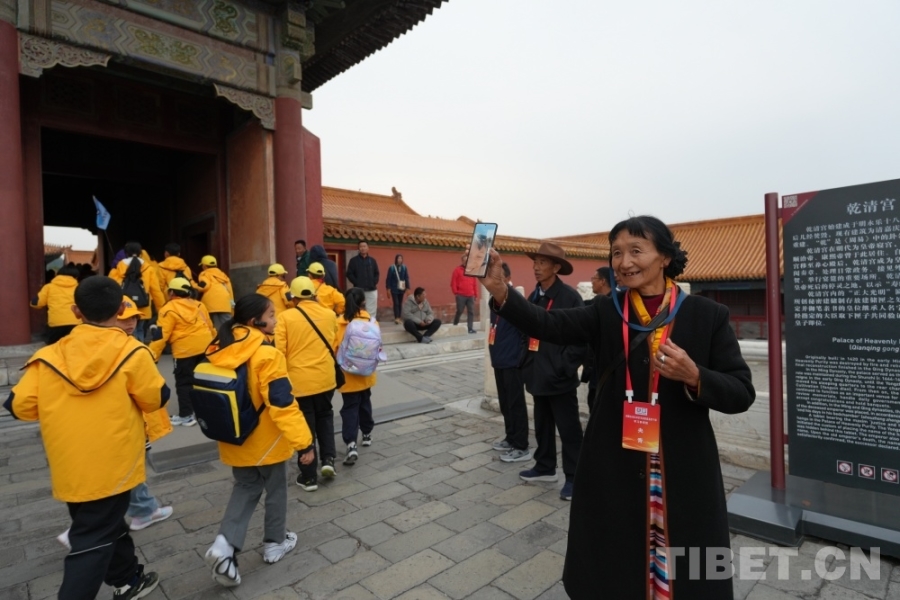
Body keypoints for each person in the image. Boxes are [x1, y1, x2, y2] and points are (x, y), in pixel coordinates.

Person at [480, 216, 755, 599]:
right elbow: (548, 324)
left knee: (686, 570)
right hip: (615, 460)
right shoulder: (605, 311)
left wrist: (695, 376)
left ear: (665, 257)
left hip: (682, 467)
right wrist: (501, 290)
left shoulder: (707, 316)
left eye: (636, 251)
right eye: (616, 253)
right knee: (616, 566)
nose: (624, 262)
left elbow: (741, 391)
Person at [4, 276, 169, 599]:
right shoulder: (132, 351)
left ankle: (127, 579)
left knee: (103, 524)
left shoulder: (49, 356)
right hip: (114, 462)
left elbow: (19, 406)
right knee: (92, 540)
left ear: (76, 311)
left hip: (70, 463)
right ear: (121, 309)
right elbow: (156, 399)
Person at [203, 293, 315, 588]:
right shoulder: (266, 354)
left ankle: (224, 547)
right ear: (256, 321)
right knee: (276, 488)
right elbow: (282, 404)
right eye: (272, 315)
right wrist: (304, 442)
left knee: (245, 487)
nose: (276, 320)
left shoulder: (219, 347)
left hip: (234, 437)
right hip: (266, 440)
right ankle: (275, 543)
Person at [509, 242, 586, 501]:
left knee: (569, 429)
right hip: (536, 373)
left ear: (556, 268)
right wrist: (525, 361)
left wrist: (564, 366)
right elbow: (526, 328)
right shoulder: (535, 295)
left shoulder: (569, 297)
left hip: (559, 377)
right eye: (535, 262)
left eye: (542, 263)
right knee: (542, 424)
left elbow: (581, 338)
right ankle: (545, 466)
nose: (536, 267)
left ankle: (575, 477)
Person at [274, 277, 339, 492]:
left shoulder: (285, 317)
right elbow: (333, 342)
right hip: (326, 379)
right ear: (314, 294)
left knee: (305, 426)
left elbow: (279, 351)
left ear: (293, 297)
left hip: (299, 382)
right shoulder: (329, 315)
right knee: (325, 417)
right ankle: (329, 460)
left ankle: (309, 476)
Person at [116, 297, 175, 531]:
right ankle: (144, 511)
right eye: (124, 319)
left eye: (134, 318)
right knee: (132, 467)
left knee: (132, 466)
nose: (130, 323)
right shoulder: (128, 349)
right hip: (130, 421)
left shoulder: (131, 344)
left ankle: (143, 509)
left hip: (136, 419)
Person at [148, 277, 217, 427]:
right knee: (202, 380)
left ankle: (186, 416)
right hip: (205, 347)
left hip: (184, 351)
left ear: (171, 292)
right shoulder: (199, 305)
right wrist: (214, 346)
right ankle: (204, 411)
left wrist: (152, 357)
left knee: (184, 383)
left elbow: (161, 336)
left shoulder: (168, 309)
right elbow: (210, 326)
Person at [489, 263, 531, 463]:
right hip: (499, 359)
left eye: (499, 277)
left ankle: (521, 445)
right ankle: (510, 437)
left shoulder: (515, 300)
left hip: (512, 361)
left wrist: (520, 358)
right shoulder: (494, 299)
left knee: (516, 404)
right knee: (505, 404)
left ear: (507, 278)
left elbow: (525, 332)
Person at [334, 287, 377, 465]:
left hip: (348, 375)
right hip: (366, 373)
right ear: (363, 302)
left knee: (350, 407)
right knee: (365, 402)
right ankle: (366, 434)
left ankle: (351, 443)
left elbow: (334, 348)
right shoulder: (372, 321)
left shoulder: (339, 323)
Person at [109, 241, 167, 343]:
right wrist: (162, 310)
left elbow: (111, 289)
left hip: (124, 308)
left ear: (126, 253)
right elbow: (156, 291)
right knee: (140, 330)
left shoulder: (118, 269)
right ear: (141, 253)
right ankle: (140, 349)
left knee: (126, 332)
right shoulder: (149, 269)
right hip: (143, 308)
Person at [582, 266, 615, 412]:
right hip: (594, 369)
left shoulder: (616, 306)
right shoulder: (592, 305)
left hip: (608, 370)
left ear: (602, 281)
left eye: (594, 279)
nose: (592, 282)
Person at [30, 264, 81, 343]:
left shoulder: (49, 287)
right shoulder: (79, 287)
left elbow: (37, 303)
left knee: (54, 347)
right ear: (76, 276)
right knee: (74, 346)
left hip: (56, 324)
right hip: (76, 323)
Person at [195, 255, 235, 330]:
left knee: (212, 326)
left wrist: (194, 285)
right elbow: (229, 290)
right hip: (224, 303)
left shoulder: (205, 274)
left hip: (210, 303)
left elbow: (204, 286)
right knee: (228, 326)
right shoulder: (223, 276)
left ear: (204, 266)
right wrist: (231, 305)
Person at [345, 241, 379, 318]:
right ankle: (358, 322)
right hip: (358, 289)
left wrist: (374, 282)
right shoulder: (353, 261)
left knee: (371, 310)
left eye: (364, 246)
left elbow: (376, 273)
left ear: (368, 248)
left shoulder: (372, 261)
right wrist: (356, 282)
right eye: (361, 246)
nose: (363, 248)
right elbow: (349, 273)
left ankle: (371, 323)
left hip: (371, 289)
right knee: (357, 308)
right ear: (358, 248)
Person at [451, 249, 479, 334]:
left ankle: (470, 328)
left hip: (471, 295)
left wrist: (475, 294)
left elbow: (474, 283)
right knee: (459, 310)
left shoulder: (472, 270)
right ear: (462, 261)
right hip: (461, 295)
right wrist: (456, 292)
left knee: (471, 312)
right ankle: (455, 324)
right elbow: (453, 282)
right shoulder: (457, 270)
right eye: (465, 261)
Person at [385, 254, 411, 324]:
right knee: (396, 303)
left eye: (401, 258)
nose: (400, 260)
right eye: (398, 258)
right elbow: (388, 278)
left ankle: (399, 317)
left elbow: (406, 278)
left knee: (400, 303)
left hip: (401, 288)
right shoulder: (392, 268)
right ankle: (396, 317)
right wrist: (388, 288)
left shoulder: (404, 268)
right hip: (394, 288)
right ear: (396, 259)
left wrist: (408, 288)